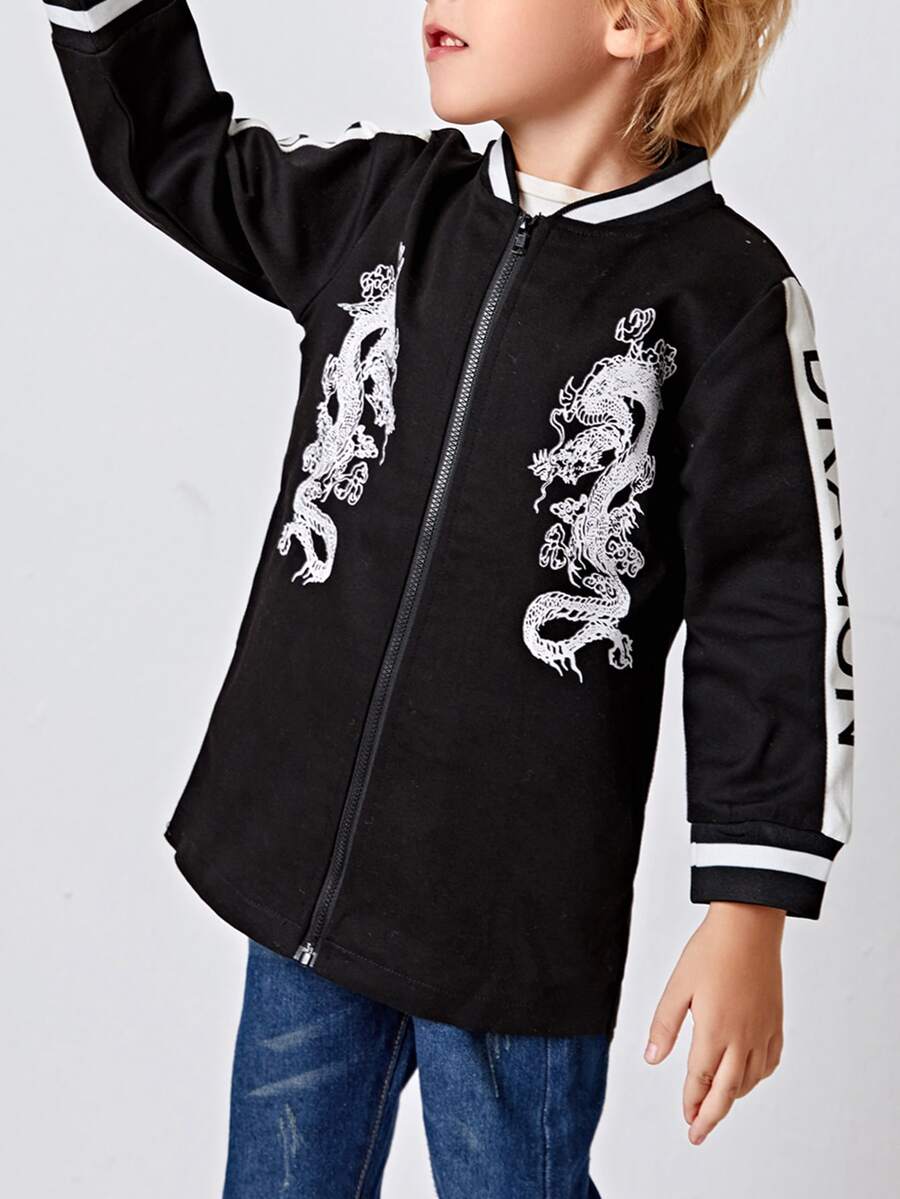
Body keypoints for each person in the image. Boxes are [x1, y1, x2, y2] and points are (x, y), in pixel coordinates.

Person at [42, 0, 855, 1194]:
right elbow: (181, 155)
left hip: (508, 914)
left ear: (633, 21)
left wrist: (750, 903)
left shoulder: (722, 298)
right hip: (310, 874)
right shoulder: (386, 206)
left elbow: (773, 606)